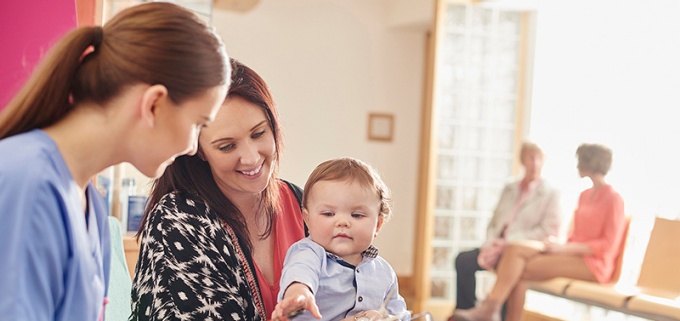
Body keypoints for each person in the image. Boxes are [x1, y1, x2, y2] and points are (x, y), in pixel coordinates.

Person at [0, 3, 229, 321]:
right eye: (198, 124)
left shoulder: (90, 203)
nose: (193, 147)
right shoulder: (29, 183)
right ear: (154, 105)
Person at [129, 58, 306, 321]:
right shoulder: (180, 221)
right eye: (227, 146)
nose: (251, 158)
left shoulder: (300, 202)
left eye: (258, 134)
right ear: (197, 149)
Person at [452, 143, 626, 321]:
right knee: (515, 254)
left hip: (595, 266)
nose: (576, 165)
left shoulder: (614, 199)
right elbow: (576, 236)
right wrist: (560, 246)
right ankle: (491, 311)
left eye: (580, 160)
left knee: (517, 268)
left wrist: (563, 250)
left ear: (590, 163)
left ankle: (489, 310)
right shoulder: (585, 195)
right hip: (572, 255)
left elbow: (607, 246)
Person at [271, 157, 409, 321]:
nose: (343, 222)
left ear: (378, 225)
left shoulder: (384, 272)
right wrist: (299, 294)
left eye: (357, 215)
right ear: (307, 219)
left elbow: (400, 314)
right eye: (329, 214)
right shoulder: (309, 253)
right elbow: (300, 273)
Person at [449, 142, 561, 320]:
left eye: (540, 158)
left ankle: (492, 313)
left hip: (518, 251)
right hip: (495, 246)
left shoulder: (550, 194)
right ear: (523, 160)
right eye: (531, 157)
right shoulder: (510, 188)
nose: (536, 163)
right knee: (463, 260)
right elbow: (495, 221)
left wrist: (507, 243)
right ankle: (468, 312)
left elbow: (547, 231)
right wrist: (491, 243)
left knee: (510, 269)